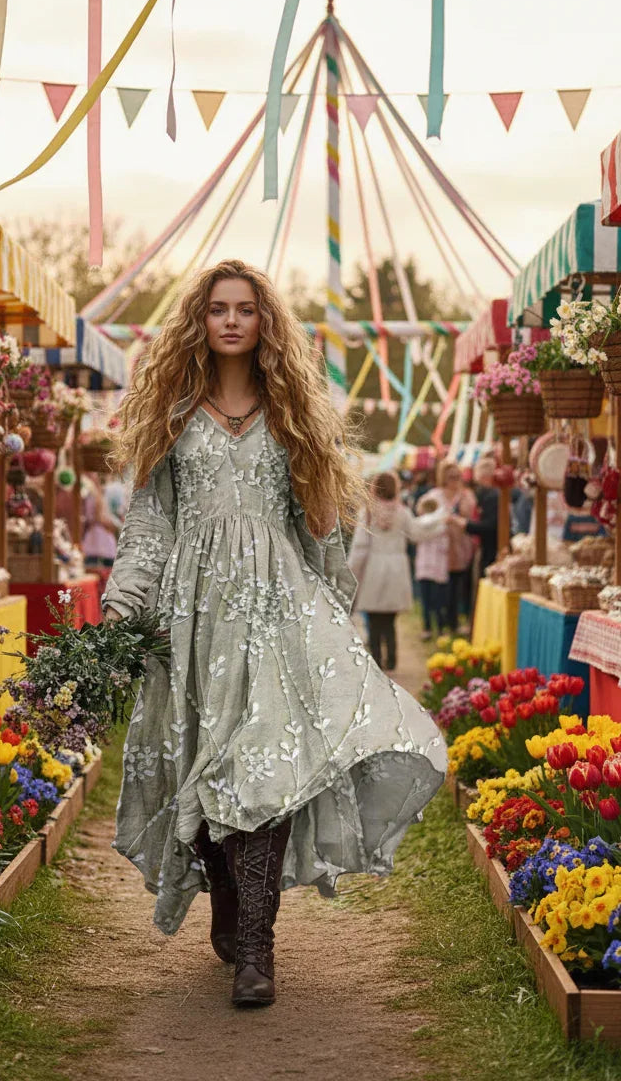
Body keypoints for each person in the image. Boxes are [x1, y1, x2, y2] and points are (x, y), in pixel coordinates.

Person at [102, 260, 446, 1009]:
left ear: (264, 323)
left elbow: (319, 526)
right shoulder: (172, 415)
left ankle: (257, 947)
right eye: (218, 308)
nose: (231, 320)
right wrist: (123, 602)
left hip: (276, 614)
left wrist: (332, 611)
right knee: (200, 769)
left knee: (264, 768)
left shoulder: (291, 414)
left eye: (245, 309)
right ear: (200, 320)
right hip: (190, 620)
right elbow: (148, 526)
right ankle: (226, 896)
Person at [348, 471, 445, 665]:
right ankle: (392, 658)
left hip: (374, 567)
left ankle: (377, 659)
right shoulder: (402, 512)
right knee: (390, 618)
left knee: (374, 617)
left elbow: (360, 546)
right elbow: (416, 534)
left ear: (374, 488)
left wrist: (350, 572)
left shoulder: (367, 513)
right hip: (397, 567)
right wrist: (440, 527)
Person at [439, 461, 477, 636]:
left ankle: (456, 622)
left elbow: (470, 514)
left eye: (457, 476)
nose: (454, 480)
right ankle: (443, 623)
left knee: (459, 586)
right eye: (451, 477)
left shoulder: (466, 495)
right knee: (444, 588)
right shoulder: (436, 494)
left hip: (461, 547)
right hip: (441, 549)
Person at [412, 492, 449, 642]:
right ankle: (439, 628)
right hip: (438, 566)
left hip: (424, 566)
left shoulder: (419, 525)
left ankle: (427, 628)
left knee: (426, 600)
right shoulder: (442, 526)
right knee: (438, 600)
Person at [460, 455, 500, 574]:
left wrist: (466, 524)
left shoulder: (492, 496)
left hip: (491, 549)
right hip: (486, 547)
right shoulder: (489, 494)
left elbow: (489, 525)